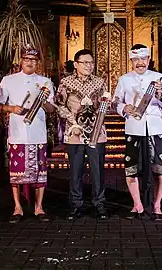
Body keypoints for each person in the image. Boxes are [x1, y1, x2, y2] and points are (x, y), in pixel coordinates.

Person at [0, 44, 54, 223]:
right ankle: (17, 207)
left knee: (40, 172)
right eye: (27, 59)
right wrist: (11, 108)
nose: (30, 62)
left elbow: (51, 109)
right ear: (21, 60)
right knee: (16, 172)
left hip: (38, 133)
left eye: (34, 60)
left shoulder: (45, 82)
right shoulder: (8, 80)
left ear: (38, 63)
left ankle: (39, 207)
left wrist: (43, 102)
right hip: (17, 133)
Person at [113, 44, 162, 220]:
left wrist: (160, 94)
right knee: (132, 169)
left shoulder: (158, 77)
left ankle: (157, 205)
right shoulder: (124, 79)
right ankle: (137, 204)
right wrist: (124, 107)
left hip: (154, 127)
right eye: (136, 60)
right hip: (134, 127)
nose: (140, 63)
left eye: (143, 59)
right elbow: (115, 102)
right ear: (131, 61)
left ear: (148, 60)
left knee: (159, 169)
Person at [55, 49, 109, 221]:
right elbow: (59, 105)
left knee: (97, 170)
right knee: (76, 170)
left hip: (97, 132)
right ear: (76, 64)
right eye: (85, 62)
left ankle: (99, 204)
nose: (89, 66)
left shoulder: (100, 82)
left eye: (91, 63)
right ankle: (75, 205)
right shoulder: (66, 82)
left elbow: (105, 105)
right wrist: (74, 122)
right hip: (75, 132)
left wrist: (100, 116)